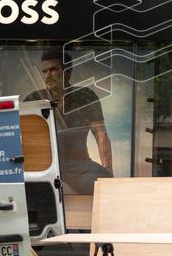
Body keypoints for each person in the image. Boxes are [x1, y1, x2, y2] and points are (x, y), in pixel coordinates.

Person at [24, 49, 113, 195]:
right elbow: (23, 138)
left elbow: (100, 134)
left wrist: (108, 170)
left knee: (106, 182)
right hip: (45, 166)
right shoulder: (34, 99)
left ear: (67, 72)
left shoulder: (85, 96)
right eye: (45, 71)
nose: (48, 75)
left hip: (79, 165)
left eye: (53, 70)